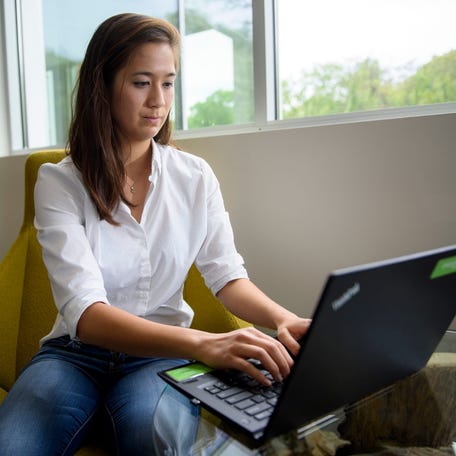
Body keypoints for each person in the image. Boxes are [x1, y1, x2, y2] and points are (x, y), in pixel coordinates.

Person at [0, 13, 310, 455]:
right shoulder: (59, 182)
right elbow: (87, 315)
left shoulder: (194, 176)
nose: (158, 101)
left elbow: (226, 276)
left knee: (154, 440)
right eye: (141, 82)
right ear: (102, 86)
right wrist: (206, 343)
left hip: (159, 360)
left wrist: (282, 319)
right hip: (74, 355)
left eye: (168, 83)